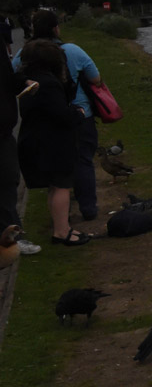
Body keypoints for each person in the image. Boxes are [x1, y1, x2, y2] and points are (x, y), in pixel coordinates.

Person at [12, 10, 101, 221]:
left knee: (55, 170)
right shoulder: (73, 50)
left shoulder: (23, 54)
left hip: (44, 119)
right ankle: (88, 208)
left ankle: (60, 215)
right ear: (55, 28)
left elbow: (14, 78)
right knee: (83, 161)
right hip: (79, 113)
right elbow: (96, 78)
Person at [16, 39, 90, 245]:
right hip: (52, 144)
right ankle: (62, 231)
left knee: (55, 186)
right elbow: (61, 114)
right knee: (61, 186)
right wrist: (78, 113)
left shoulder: (30, 81)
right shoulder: (48, 84)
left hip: (37, 140)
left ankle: (61, 227)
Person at [0, 42, 39, 255]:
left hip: (4, 132)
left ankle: (13, 240)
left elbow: (7, 77)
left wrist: (24, 81)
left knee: (8, 182)